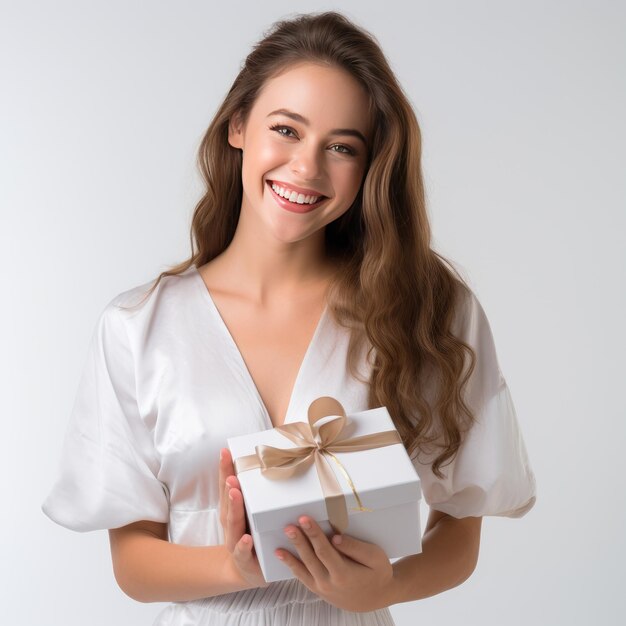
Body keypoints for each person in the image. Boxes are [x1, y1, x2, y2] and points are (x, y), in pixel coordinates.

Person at [41, 10, 536, 626]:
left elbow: (459, 533)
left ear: (370, 164)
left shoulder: (427, 311)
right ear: (238, 126)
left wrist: (384, 588)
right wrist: (238, 567)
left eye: (341, 146)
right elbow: (132, 565)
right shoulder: (139, 328)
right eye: (287, 129)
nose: (306, 168)